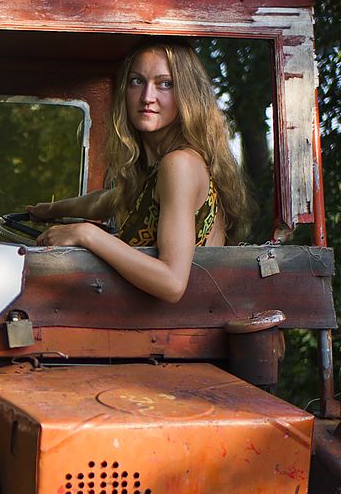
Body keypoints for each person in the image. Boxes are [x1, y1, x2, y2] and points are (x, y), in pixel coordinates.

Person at [25, 37, 250, 303]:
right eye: (137, 81)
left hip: (176, 333)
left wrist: (85, 234)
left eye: (165, 84)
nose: (147, 97)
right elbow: (105, 200)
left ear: (187, 95)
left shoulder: (178, 164)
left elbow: (172, 282)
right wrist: (49, 210)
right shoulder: (158, 169)